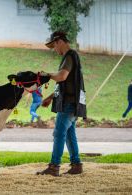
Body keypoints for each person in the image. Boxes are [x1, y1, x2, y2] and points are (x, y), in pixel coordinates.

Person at [36, 31, 87, 176]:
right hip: (73, 102)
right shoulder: (71, 57)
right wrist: (51, 97)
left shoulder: (69, 56)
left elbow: (62, 77)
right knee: (70, 134)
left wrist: (47, 75)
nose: (54, 49)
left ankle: (54, 167)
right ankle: (76, 165)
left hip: (69, 103)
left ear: (59, 41)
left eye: (54, 46)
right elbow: (66, 83)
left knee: (58, 133)